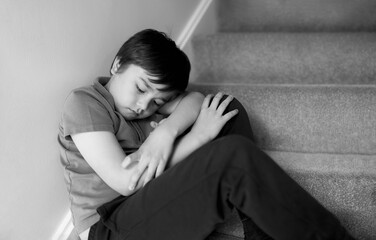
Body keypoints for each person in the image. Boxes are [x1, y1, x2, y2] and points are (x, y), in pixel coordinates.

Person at [58, 29, 354, 240]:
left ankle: (262, 233)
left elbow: (196, 101)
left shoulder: (146, 107)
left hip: (150, 202)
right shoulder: (86, 102)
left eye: (157, 102)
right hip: (110, 228)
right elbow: (126, 182)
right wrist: (196, 138)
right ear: (118, 65)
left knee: (226, 109)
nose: (143, 106)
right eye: (141, 88)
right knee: (232, 156)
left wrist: (166, 134)